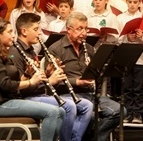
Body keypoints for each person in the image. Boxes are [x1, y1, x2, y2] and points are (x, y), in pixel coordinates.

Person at [0, 17, 65, 141]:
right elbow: (5, 85)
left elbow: (15, 80)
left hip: (10, 100)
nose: (13, 36)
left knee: (61, 111)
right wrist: (31, 82)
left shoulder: (2, 54)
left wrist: (27, 75)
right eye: (9, 32)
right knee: (51, 112)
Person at [9, 13, 93, 141]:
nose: (39, 33)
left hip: (39, 94)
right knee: (69, 106)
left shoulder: (30, 51)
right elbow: (19, 86)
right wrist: (50, 81)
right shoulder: (16, 52)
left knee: (86, 105)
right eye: (36, 29)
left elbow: (36, 78)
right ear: (24, 31)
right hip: (26, 98)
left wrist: (48, 72)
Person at [47, 12, 124, 141]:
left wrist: (97, 73)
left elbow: (98, 75)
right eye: (79, 29)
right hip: (68, 95)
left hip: (90, 94)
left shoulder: (89, 48)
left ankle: (93, 138)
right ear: (69, 30)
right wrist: (77, 82)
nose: (84, 33)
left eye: (85, 29)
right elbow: (53, 82)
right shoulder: (56, 49)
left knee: (119, 111)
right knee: (90, 114)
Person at [117, 0, 143, 123]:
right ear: (126, 1)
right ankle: (128, 113)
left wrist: (141, 37)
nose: (132, 5)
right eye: (130, 2)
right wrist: (127, 38)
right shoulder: (120, 18)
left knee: (138, 88)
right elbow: (117, 39)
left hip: (141, 57)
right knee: (127, 87)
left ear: (140, 2)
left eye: (135, 2)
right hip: (126, 57)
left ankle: (138, 114)